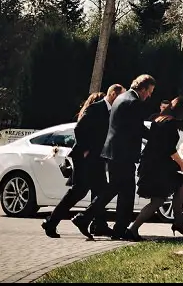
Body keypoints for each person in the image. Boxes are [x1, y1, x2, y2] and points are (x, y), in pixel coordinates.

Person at [74, 73, 155, 241]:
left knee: (120, 190)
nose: (150, 96)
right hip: (123, 153)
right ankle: (87, 218)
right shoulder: (134, 102)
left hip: (113, 152)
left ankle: (117, 228)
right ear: (143, 88)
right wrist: (157, 135)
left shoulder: (121, 98)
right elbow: (137, 129)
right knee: (120, 190)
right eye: (150, 91)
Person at [42, 84, 125, 238]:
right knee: (78, 191)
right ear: (113, 94)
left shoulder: (111, 111)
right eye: (120, 97)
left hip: (98, 158)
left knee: (100, 191)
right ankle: (51, 222)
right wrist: (85, 149)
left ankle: (99, 225)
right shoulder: (96, 108)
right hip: (85, 157)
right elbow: (79, 128)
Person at [126, 97, 183, 238]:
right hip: (157, 167)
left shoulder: (159, 120)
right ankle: (132, 229)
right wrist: (182, 164)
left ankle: (178, 223)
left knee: (179, 185)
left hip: (154, 164)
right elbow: (169, 148)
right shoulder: (170, 123)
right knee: (158, 201)